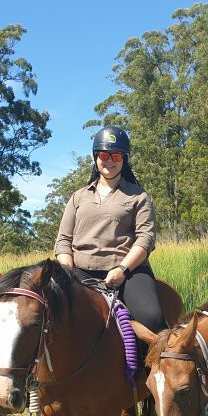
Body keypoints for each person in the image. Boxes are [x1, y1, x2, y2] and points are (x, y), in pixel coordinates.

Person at [54, 125, 168, 335]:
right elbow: (63, 240)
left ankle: (165, 364)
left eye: (116, 156)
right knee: (46, 315)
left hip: (129, 272)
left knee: (152, 318)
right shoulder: (78, 197)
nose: (109, 161)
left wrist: (122, 270)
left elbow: (146, 239)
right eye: (104, 155)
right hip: (81, 272)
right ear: (96, 157)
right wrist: (67, 270)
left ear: (124, 159)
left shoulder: (138, 196)